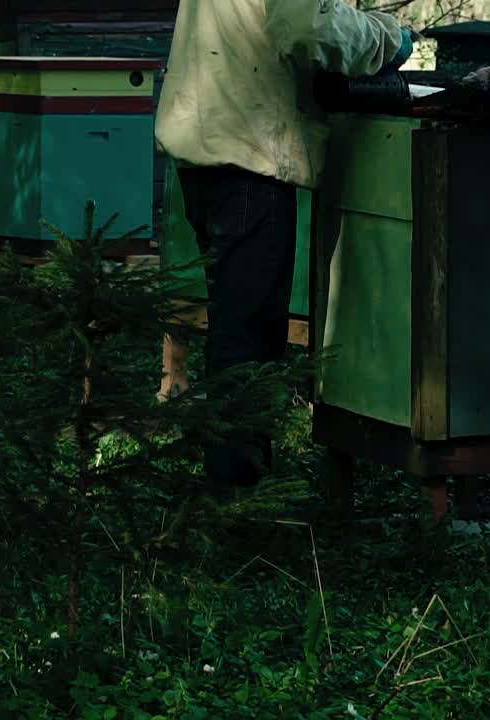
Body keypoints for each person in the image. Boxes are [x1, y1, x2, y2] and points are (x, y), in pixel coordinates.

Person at [156, 1, 414, 488]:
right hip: (248, 158)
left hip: (211, 143)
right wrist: (386, 38)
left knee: (235, 331)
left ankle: (231, 488)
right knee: (247, 343)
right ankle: (237, 501)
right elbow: (306, 26)